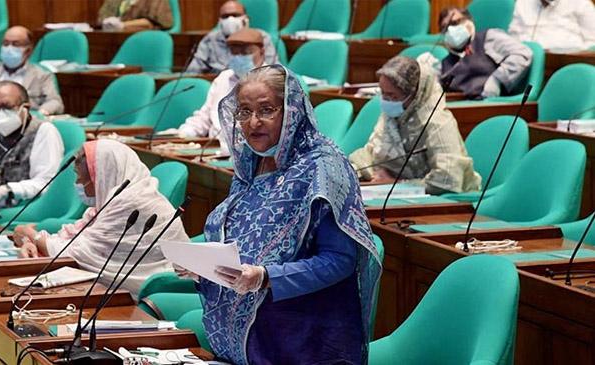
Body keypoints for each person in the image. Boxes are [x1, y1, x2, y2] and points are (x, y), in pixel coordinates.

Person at [176, 65, 381, 364]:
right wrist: (205, 269)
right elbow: (242, 240)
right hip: (250, 338)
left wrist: (266, 277)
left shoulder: (324, 168)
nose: (253, 122)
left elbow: (340, 261)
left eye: (266, 110)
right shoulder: (251, 164)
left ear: (292, 112)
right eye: (244, 112)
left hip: (306, 339)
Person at [12, 140, 190, 295]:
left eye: (81, 177)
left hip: (145, 294)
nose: (77, 184)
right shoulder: (110, 202)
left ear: (105, 172)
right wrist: (28, 241)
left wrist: (31, 235)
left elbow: (74, 255)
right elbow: (75, 245)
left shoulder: (132, 202)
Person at [350, 56, 481, 195]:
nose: (386, 100)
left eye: (392, 96)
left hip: (445, 203)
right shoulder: (391, 116)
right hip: (390, 194)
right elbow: (371, 152)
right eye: (382, 93)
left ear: (414, 95)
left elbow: (448, 180)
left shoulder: (438, 122)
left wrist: (395, 183)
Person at [175, 28, 266, 153]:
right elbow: (204, 118)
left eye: (245, 52)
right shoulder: (224, 78)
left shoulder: (274, 82)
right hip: (214, 151)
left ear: (262, 52)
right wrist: (183, 135)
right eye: (234, 53)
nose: (239, 57)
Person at [437, 7, 532, 99]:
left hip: (490, 104)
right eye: (445, 28)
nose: (450, 30)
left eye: (455, 23)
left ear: (469, 20)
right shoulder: (443, 65)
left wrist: (497, 80)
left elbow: (523, 54)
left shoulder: (489, 38)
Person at [186, 1, 277, 74]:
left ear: (246, 19)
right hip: (218, 86)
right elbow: (192, 72)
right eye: (225, 16)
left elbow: (274, 71)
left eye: (235, 15)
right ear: (220, 21)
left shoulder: (262, 37)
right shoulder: (210, 40)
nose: (230, 19)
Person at [509, 0, 595, 51]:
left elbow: (593, 41)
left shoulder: (580, 3)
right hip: (527, 63)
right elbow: (514, 37)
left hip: (568, 63)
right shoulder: (523, 2)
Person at [98, 0, 174, 31]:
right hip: (113, 39)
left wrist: (123, 25)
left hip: (144, 39)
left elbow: (151, 23)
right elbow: (103, 17)